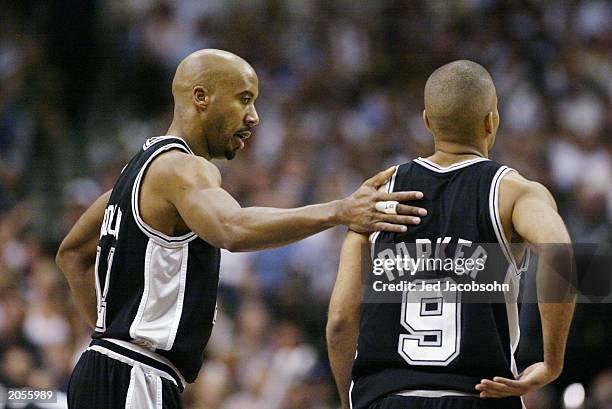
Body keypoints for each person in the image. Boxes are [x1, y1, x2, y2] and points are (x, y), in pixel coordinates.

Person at [55, 49, 427, 409]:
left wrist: (110, 336)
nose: (254, 117)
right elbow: (231, 228)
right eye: (244, 99)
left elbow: (71, 254)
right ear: (201, 97)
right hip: (133, 375)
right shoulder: (183, 168)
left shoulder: (134, 173)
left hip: (109, 369)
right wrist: (340, 211)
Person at [326, 60, 576, 409]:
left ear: (427, 121)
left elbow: (340, 320)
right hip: (479, 394)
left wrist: (348, 399)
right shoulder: (514, 192)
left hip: (385, 397)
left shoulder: (378, 195)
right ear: (492, 121)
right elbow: (561, 253)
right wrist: (552, 364)